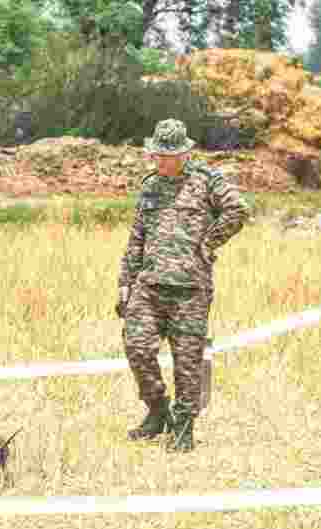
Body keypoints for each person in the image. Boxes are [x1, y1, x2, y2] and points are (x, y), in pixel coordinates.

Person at [116, 119, 250, 452]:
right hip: (149, 286)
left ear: (184, 155)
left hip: (190, 289)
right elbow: (137, 238)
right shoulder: (149, 187)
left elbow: (238, 210)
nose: (160, 161)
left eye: (167, 155)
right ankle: (158, 411)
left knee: (187, 361)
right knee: (137, 348)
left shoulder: (207, 182)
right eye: (156, 155)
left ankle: (184, 426)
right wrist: (125, 283)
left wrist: (208, 243)